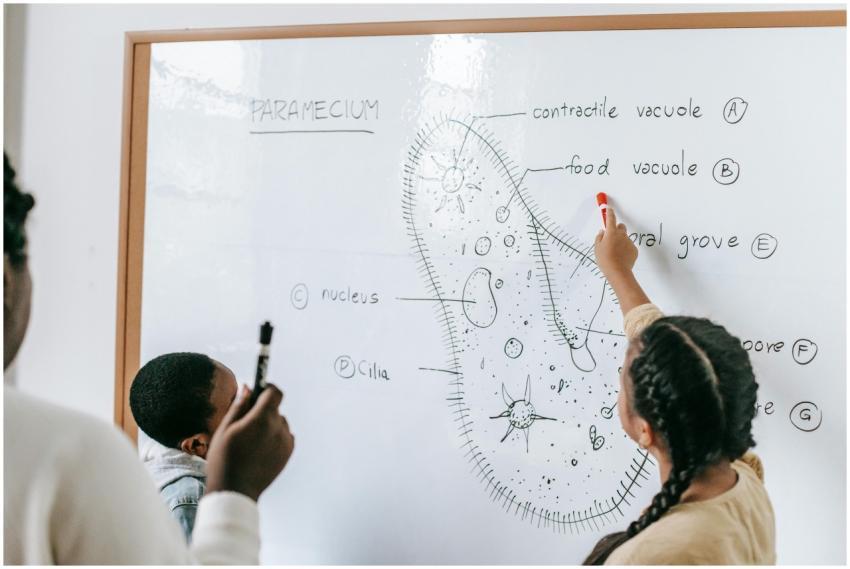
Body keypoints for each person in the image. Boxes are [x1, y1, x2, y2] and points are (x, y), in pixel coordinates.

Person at [3, 152, 296, 564]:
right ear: (6, 277)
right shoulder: (77, 458)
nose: (246, 399)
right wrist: (235, 492)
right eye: (233, 404)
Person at [583, 205, 776, 565]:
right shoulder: (743, 481)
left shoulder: (650, 558)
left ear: (645, 430)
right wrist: (618, 271)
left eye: (623, 377)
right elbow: (676, 357)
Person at [130, 352, 238, 541]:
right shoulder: (190, 500)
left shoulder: (150, 471)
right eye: (233, 404)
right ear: (197, 445)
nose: (245, 408)